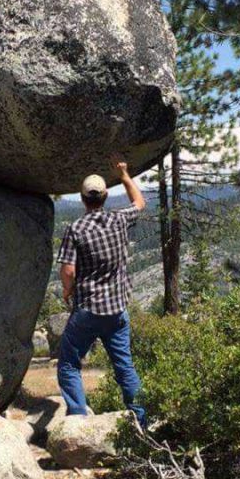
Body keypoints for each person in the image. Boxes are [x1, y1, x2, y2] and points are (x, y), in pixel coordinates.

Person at [56, 158, 147, 427]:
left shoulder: (75, 229)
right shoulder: (119, 219)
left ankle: (77, 420)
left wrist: (67, 291)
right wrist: (124, 175)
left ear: (82, 198)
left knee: (69, 364)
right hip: (117, 310)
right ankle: (142, 421)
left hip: (88, 309)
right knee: (125, 367)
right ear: (105, 196)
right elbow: (139, 202)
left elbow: (68, 270)